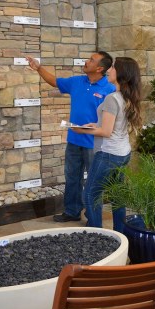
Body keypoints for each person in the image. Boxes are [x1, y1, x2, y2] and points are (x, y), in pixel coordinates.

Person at [26, 52, 115, 222]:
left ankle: (93, 217)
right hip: (74, 140)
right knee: (72, 178)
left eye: (91, 60)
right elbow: (55, 81)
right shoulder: (77, 82)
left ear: (100, 68)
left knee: (94, 183)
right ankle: (72, 212)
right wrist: (38, 68)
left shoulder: (109, 89)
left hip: (95, 144)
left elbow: (111, 119)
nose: (86, 61)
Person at [71, 57, 142, 229]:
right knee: (117, 195)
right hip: (123, 153)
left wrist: (81, 130)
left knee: (90, 194)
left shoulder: (112, 98)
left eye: (113, 68)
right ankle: (121, 233)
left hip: (108, 154)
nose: (109, 70)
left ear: (122, 73)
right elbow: (115, 125)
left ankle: (98, 235)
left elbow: (106, 132)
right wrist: (95, 125)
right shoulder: (127, 97)